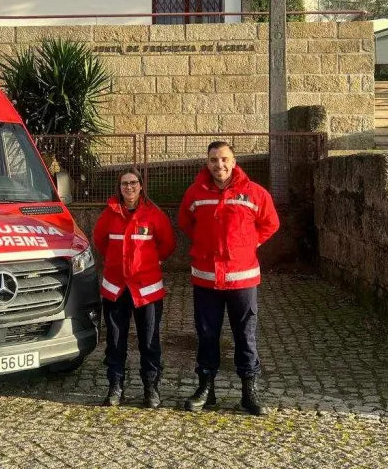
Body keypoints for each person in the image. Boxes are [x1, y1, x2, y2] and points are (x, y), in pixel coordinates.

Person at [178, 141, 279, 415]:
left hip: (242, 279)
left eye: (224, 159)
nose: (218, 165)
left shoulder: (254, 193)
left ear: (234, 162)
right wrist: (203, 243)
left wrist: (249, 244)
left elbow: (271, 223)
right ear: (207, 162)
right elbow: (186, 222)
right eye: (213, 160)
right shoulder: (195, 193)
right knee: (207, 334)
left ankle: (249, 391)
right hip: (206, 278)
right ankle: (206, 389)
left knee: (245, 335)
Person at [92, 168, 176, 408]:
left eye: (133, 183)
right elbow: (100, 241)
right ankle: (115, 386)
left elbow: (168, 244)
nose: (128, 187)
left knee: (149, 340)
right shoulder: (109, 215)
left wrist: (150, 263)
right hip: (116, 287)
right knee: (115, 340)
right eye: (124, 184)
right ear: (119, 188)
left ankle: (151, 387)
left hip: (146, 288)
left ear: (141, 186)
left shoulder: (153, 215)